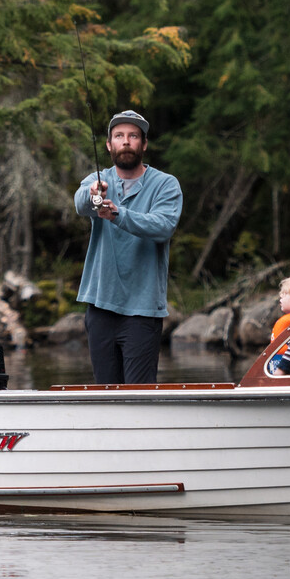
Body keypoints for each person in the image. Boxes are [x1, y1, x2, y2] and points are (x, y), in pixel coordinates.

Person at [73, 110, 182, 384]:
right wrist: (93, 194)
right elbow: (79, 204)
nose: (126, 141)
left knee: (140, 395)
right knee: (105, 394)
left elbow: (163, 226)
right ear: (109, 145)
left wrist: (118, 214)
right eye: (119, 136)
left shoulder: (165, 184)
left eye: (133, 136)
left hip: (143, 309)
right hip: (100, 306)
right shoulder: (96, 180)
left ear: (143, 144)